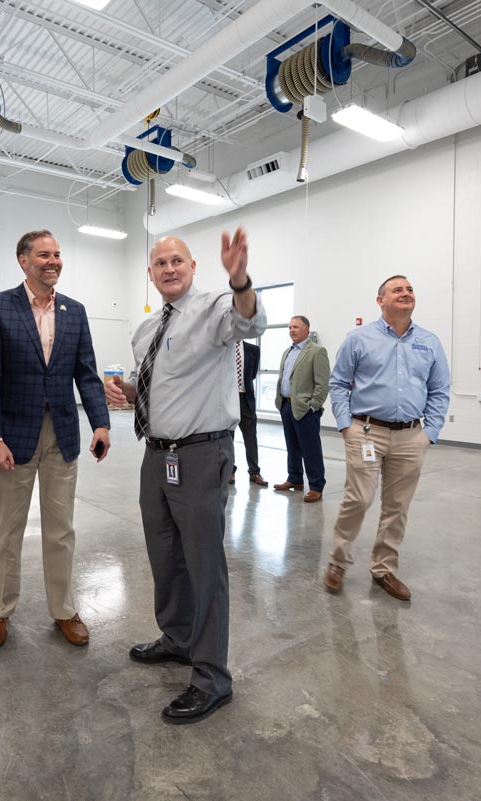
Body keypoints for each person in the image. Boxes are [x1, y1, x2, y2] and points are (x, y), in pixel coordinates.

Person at [105, 229, 266, 724]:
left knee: (204, 564)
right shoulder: (147, 329)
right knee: (166, 555)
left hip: (200, 455)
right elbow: (155, 384)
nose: (169, 268)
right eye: (160, 263)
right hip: (156, 455)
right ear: (149, 273)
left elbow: (251, 321)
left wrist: (239, 278)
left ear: (194, 267)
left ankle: (212, 677)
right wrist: (129, 394)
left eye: (177, 261)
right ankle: (177, 638)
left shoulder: (216, 307)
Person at [0, 230, 111, 649]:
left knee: (60, 529)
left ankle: (65, 610)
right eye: (43, 255)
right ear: (23, 260)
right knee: (10, 528)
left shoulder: (75, 311)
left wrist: (101, 424)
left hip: (62, 435)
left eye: (56, 254)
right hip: (14, 438)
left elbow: (86, 372)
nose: (52, 261)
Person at [324, 275, 450, 602]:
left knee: (397, 506)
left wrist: (429, 433)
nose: (406, 293)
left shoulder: (429, 341)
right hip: (366, 432)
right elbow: (338, 383)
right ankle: (338, 561)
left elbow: (439, 390)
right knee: (360, 499)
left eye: (409, 289)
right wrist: (345, 425)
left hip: (411, 436)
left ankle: (383, 568)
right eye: (397, 289)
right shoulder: (359, 339)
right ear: (380, 300)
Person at [272, 316, 330, 502]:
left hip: (305, 409)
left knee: (310, 448)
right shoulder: (287, 352)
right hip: (286, 406)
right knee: (292, 446)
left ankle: (316, 486)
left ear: (306, 329)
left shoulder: (317, 351)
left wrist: (314, 406)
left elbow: (322, 383)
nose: (291, 330)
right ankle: (295, 479)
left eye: (295, 327)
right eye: (290, 327)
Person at [230, 340, 268, 486]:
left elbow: (251, 375)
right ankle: (229, 471)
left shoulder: (253, 350)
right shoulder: (224, 348)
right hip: (229, 399)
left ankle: (254, 472)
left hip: (246, 400)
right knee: (229, 438)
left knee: (251, 438)